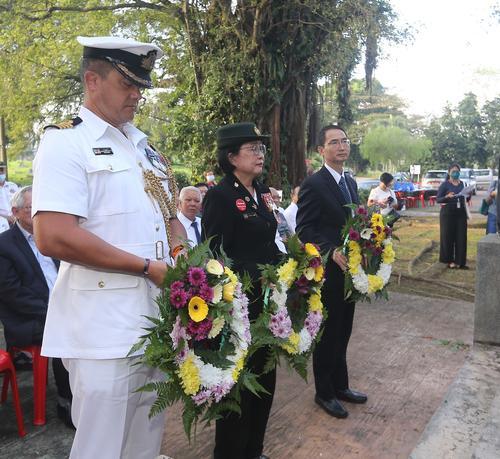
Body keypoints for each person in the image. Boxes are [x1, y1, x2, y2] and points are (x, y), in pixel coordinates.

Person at [32, 36, 186, 459]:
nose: (137, 93)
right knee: (100, 449)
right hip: (101, 331)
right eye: (127, 83)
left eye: (141, 84)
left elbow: (173, 219)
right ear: (92, 80)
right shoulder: (66, 143)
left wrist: (180, 257)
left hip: (155, 322)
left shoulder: (144, 147)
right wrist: (145, 267)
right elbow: (52, 235)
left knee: (145, 443)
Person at [202, 122, 281, 459]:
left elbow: (266, 243)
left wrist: (292, 264)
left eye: (262, 148)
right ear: (232, 157)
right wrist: (258, 275)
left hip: (267, 308)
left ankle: (254, 450)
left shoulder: (260, 192)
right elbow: (214, 260)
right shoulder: (221, 197)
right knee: (237, 392)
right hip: (237, 311)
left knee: (264, 383)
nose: (260, 153)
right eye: (252, 148)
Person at [296, 124, 366, 420]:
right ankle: (324, 392)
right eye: (334, 142)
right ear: (320, 150)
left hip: (350, 270)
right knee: (328, 332)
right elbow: (304, 229)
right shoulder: (314, 184)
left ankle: (341, 386)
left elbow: (355, 221)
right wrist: (329, 250)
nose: (341, 146)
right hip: (328, 270)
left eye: (345, 141)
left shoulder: (349, 182)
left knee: (345, 329)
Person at [0, 186, 73, 427]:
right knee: (67, 333)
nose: (36, 214)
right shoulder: (5, 245)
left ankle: (92, 394)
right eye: (31, 208)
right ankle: (67, 402)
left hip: (61, 304)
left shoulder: (50, 235)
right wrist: (55, 309)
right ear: (16, 211)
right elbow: (12, 294)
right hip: (30, 317)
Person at [436, 163, 470, 269]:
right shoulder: (445, 185)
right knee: (448, 237)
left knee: (461, 237)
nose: (456, 173)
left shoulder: (462, 184)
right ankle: (449, 260)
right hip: (447, 213)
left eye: (457, 171)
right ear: (449, 172)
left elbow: (466, 199)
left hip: (461, 213)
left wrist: (468, 195)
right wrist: (447, 196)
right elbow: (438, 199)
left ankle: (460, 261)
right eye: (453, 171)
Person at [0, 161, 19, 233]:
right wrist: (7, 218)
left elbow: (19, 203)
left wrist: (16, 216)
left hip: (17, 220)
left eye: (2, 170)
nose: (0, 173)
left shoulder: (13, 186)